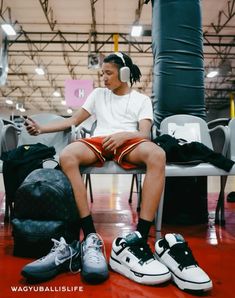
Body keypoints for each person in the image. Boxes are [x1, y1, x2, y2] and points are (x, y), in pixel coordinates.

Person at [22, 52, 212, 291]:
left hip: (128, 140)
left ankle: (140, 236)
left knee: (158, 155)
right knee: (68, 155)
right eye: (103, 73)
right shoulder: (98, 95)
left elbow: (143, 134)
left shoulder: (141, 100)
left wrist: (124, 134)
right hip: (100, 140)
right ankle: (89, 234)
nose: (104, 78)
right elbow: (73, 120)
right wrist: (41, 128)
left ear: (123, 74)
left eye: (108, 73)